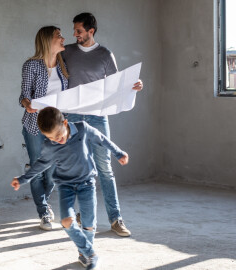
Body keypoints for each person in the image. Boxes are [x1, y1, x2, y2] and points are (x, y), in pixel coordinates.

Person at [11, 107, 129, 269]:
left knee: (88, 224)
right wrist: (22, 179)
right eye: (51, 138)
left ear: (65, 123)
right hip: (65, 185)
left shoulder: (82, 128)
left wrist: (118, 153)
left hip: (87, 183)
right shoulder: (50, 144)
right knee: (66, 221)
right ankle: (90, 253)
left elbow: (101, 138)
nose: (57, 140)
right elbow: (41, 165)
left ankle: (84, 254)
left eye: (59, 136)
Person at [61, 12, 143, 237]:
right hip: (72, 117)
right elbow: (50, 72)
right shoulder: (66, 52)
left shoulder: (105, 54)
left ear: (91, 31)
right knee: (77, 168)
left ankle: (116, 219)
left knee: (104, 167)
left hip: (97, 116)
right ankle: (80, 213)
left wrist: (134, 86)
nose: (75, 34)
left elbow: (118, 84)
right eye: (74, 31)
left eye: (79, 31)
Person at [19, 26, 69, 230]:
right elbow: (23, 95)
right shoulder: (31, 65)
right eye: (59, 36)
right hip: (34, 125)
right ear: (48, 40)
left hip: (56, 126)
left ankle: (44, 202)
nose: (63, 38)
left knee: (52, 171)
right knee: (37, 168)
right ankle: (44, 211)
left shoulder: (63, 66)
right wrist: (27, 104)